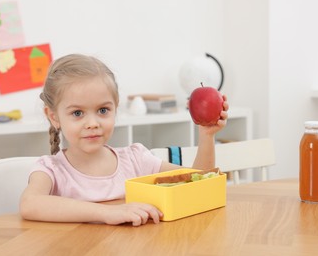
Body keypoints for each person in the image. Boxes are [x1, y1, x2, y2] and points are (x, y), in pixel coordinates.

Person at [20, 54, 229, 226]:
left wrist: (206, 136)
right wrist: (107, 213)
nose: (92, 123)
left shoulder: (136, 159)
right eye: (77, 113)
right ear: (54, 117)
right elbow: (30, 204)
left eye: (103, 110)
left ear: (115, 107)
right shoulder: (51, 169)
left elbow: (198, 184)